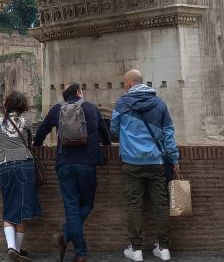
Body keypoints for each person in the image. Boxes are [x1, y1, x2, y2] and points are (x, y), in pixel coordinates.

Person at [34, 83, 111, 262]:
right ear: (79, 92)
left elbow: (42, 131)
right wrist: (108, 146)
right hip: (88, 164)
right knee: (87, 204)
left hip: (65, 163)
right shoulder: (92, 108)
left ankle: (78, 250)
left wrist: (36, 146)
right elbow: (105, 133)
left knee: (71, 208)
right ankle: (68, 239)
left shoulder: (57, 109)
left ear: (65, 96)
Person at [112, 69, 180, 262]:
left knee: (134, 205)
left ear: (131, 84)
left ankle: (136, 249)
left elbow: (114, 129)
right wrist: (174, 160)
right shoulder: (159, 104)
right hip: (156, 162)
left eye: (124, 83)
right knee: (161, 204)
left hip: (131, 162)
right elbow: (169, 134)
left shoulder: (122, 103)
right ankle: (164, 248)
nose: (124, 86)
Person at [0, 91, 41, 262]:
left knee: (9, 205)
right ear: (23, 106)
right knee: (23, 209)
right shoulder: (27, 121)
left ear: (7, 104)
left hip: (5, 165)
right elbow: (29, 144)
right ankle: (17, 249)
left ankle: (12, 248)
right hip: (24, 164)